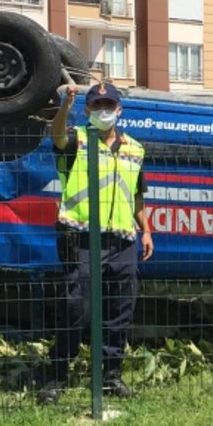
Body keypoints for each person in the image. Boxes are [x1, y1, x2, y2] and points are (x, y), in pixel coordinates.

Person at [38, 83, 154, 404]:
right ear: (87, 110)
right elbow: (56, 136)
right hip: (81, 237)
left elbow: (136, 194)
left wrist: (146, 230)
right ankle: (57, 375)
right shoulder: (78, 140)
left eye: (109, 104)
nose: (103, 109)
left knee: (120, 309)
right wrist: (66, 105)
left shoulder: (135, 149)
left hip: (122, 239)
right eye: (96, 104)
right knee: (76, 308)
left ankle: (110, 375)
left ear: (119, 109)